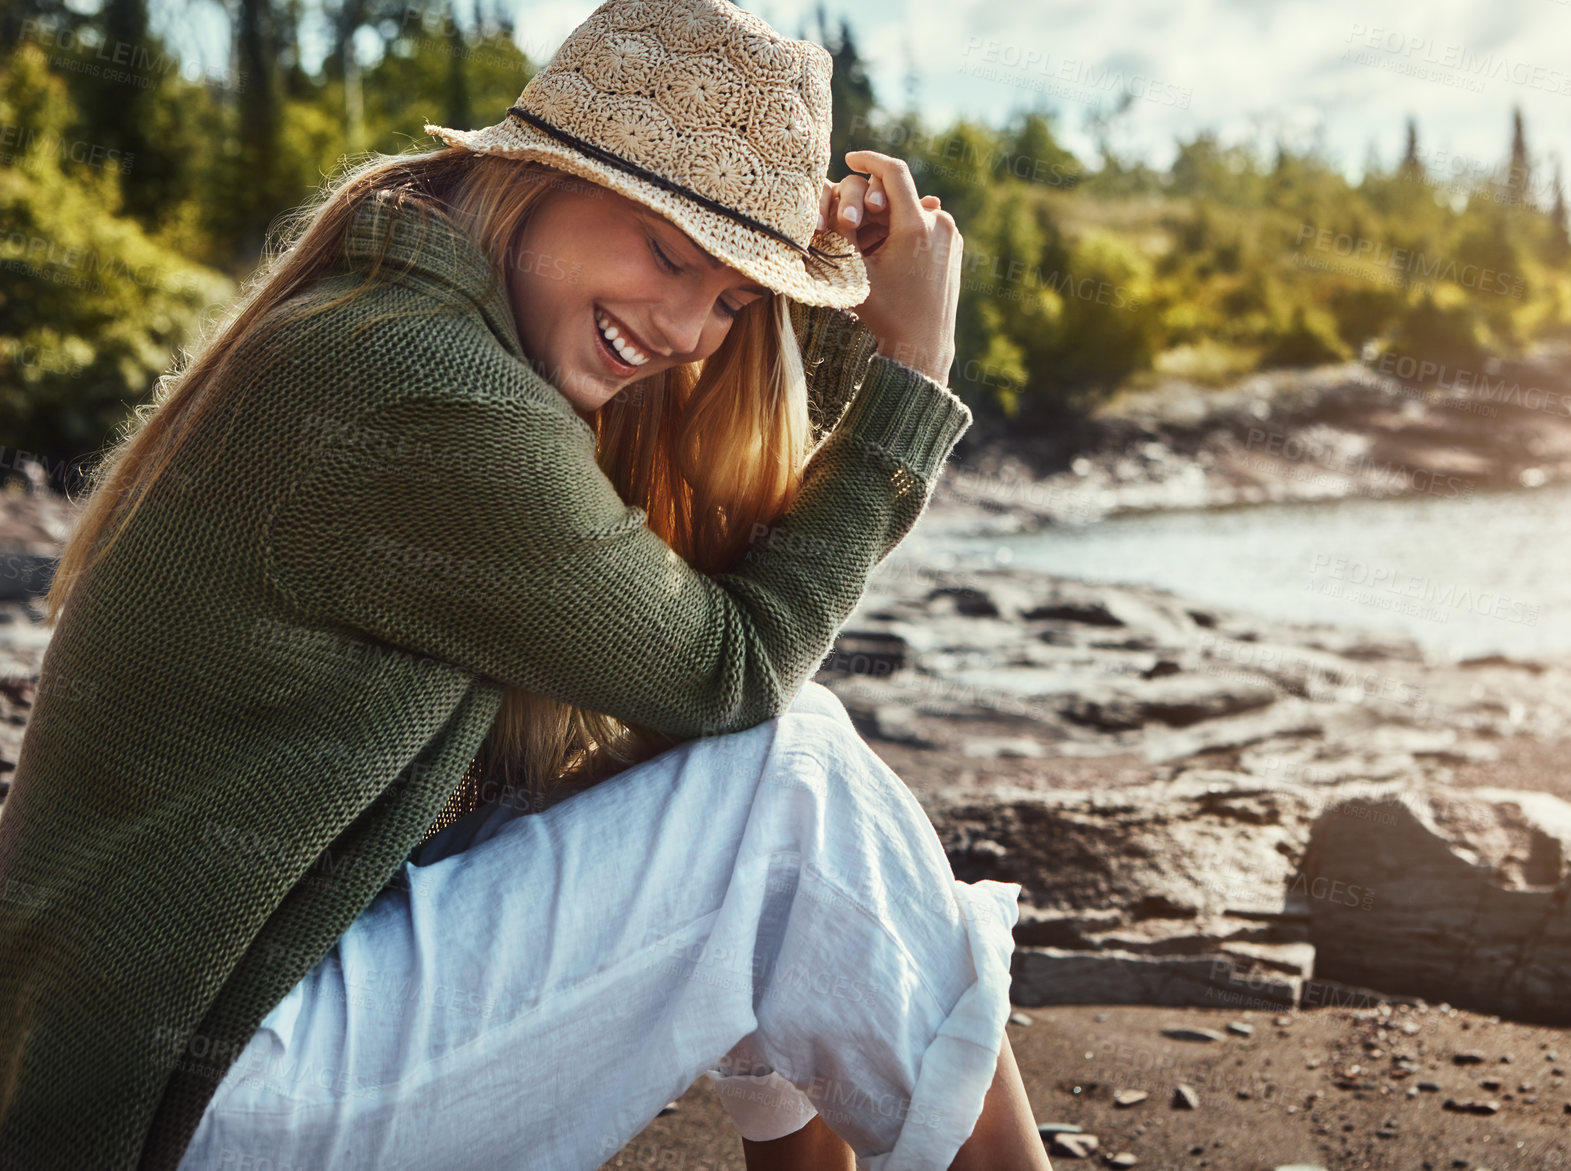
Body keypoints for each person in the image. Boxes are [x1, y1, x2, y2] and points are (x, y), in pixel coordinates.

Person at [0, 0, 1054, 1167]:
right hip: (196, 1103)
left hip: (171, 1056)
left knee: (763, 780)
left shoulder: (392, 313)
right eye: (667, 251)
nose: (687, 330)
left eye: (732, 299)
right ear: (542, 180)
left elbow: (696, 689)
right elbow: (733, 669)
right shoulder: (429, 384)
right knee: (791, 787)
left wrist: (811, 299)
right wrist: (914, 370)